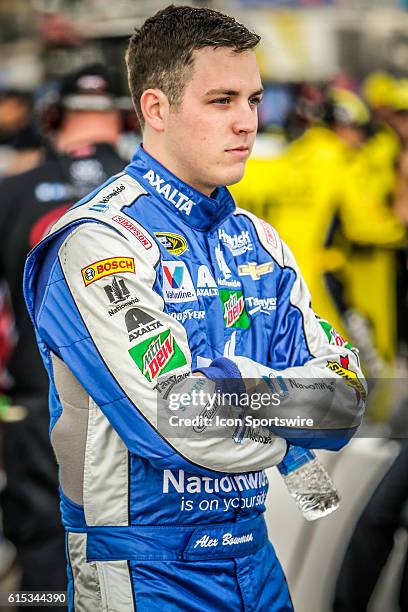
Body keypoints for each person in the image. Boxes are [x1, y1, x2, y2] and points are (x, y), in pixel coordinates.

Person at [24, 6, 366, 611]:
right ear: (156, 109)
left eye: (254, 100)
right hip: (141, 568)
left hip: (254, 559)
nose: (247, 123)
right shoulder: (99, 240)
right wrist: (289, 431)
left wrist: (227, 387)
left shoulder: (258, 240)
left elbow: (343, 401)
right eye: (222, 100)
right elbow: (177, 423)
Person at [0, 64, 125, 601]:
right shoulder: (153, 195)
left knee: (46, 554)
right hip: (136, 411)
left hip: (36, 400)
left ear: (52, 116)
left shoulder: (11, 192)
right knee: (130, 559)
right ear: (125, 119)